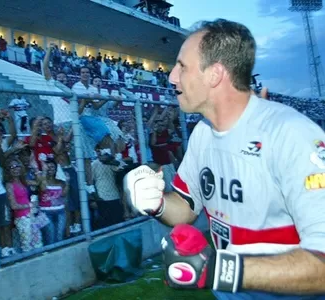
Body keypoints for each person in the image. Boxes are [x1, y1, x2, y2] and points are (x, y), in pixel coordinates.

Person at [124, 19, 325, 299]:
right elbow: (185, 208)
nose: (171, 76)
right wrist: (155, 202)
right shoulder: (203, 135)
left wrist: (222, 270)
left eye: (182, 66)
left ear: (215, 74)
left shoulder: (291, 135)